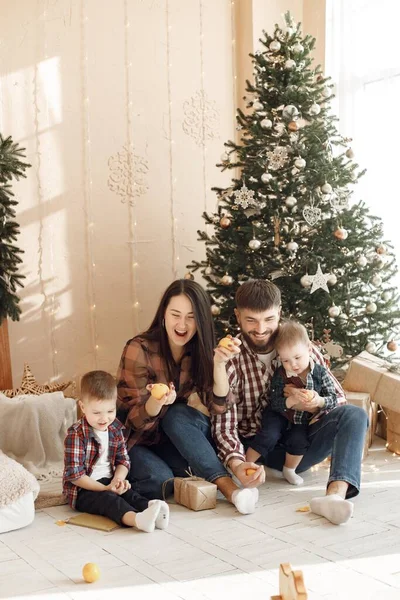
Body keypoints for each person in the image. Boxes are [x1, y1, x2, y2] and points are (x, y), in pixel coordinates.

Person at [212, 279, 368, 525]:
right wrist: (238, 463)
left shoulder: (297, 344)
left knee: (355, 415)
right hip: (260, 449)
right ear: (237, 316)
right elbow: (223, 424)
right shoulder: (230, 357)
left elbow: (338, 398)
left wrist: (315, 403)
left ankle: (335, 497)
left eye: (269, 319)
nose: (261, 329)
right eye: (251, 320)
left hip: (301, 446)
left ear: (280, 312)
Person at [116, 279, 259, 515]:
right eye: (175, 314)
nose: (182, 324)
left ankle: (230, 490)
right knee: (160, 482)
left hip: (176, 435)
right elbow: (133, 421)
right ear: (164, 314)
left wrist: (220, 365)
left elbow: (218, 406)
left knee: (177, 415)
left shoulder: (201, 350)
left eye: (191, 317)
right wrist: (157, 402)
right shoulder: (139, 348)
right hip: (138, 439)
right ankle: (225, 486)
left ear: (200, 320)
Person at [63, 370, 169, 532]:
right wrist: (105, 488)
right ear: (83, 407)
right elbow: (75, 476)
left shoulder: (115, 428)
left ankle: (152, 509)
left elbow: (123, 460)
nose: (104, 418)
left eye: (110, 411)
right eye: (97, 412)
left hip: (109, 482)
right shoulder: (76, 434)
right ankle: (136, 520)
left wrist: (118, 480)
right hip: (83, 490)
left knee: (129, 493)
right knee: (110, 501)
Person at [246, 320, 339, 486]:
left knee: (299, 441)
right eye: (286, 360)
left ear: (309, 350)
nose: (293, 365)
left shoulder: (320, 373)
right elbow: (274, 401)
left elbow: (333, 397)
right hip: (279, 413)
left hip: (301, 419)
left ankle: (289, 470)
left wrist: (318, 400)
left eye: (297, 357)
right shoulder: (280, 374)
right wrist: (291, 400)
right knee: (269, 434)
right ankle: (245, 464)